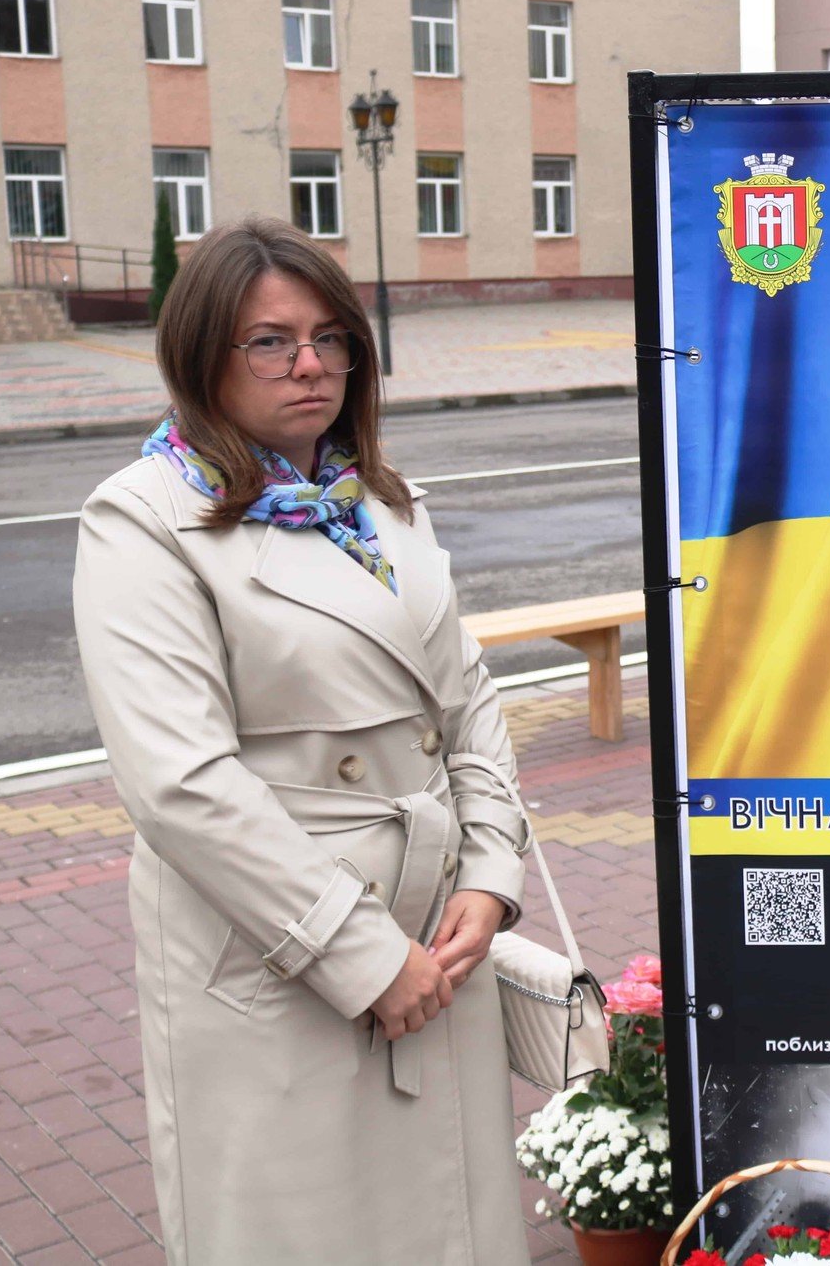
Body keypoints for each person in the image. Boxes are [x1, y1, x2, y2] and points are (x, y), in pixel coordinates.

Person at [72, 217, 532, 1263]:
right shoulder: (143, 520)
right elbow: (182, 782)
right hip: (281, 954)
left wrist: (489, 876)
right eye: (271, 342)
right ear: (202, 355)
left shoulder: (377, 500)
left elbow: (465, 703)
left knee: (449, 1227)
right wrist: (360, 953)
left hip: (435, 939)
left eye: (331, 338)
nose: (311, 364)